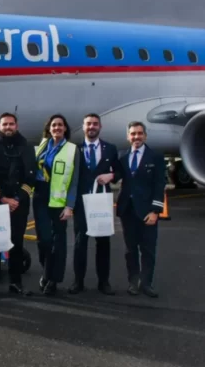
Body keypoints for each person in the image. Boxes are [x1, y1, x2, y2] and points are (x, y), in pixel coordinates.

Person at [101, 121, 165, 298]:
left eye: (139, 133)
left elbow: (160, 186)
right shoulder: (123, 158)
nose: (136, 137)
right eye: (133, 134)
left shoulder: (155, 157)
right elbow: (117, 176)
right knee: (130, 250)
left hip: (147, 211)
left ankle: (146, 283)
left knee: (148, 250)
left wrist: (155, 211)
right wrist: (108, 177)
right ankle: (133, 282)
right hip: (128, 210)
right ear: (128, 137)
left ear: (145, 135)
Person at [0, 112, 36, 297]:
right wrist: (3, 198)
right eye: (5, 124)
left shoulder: (28, 147)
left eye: (11, 124)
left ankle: (15, 282)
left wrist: (17, 199)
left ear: (17, 126)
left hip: (19, 204)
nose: (8, 127)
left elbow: (30, 178)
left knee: (16, 244)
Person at [69, 113, 117, 295]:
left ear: (100, 127)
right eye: (88, 124)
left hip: (101, 204)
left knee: (103, 243)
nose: (92, 127)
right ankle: (78, 281)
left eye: (95, 124)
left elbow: (119, 171)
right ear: (83, 127)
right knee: (80, 243)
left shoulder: (110, 149)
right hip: (82, 205)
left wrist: (111, 176)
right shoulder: (75, 150)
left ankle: (104, 282)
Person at [32, 114, 80, 295]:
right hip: (40, 196)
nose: (57, 128)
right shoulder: (42, 145)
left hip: (59, 201)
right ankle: (46, 271)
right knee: (43, 240)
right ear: (49, 128)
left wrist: (70, 206)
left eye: (60, 125)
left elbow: (74, 180)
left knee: (57, 242)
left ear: (65, 128)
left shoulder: (72, 149)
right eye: (54, 125)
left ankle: (53, 279)